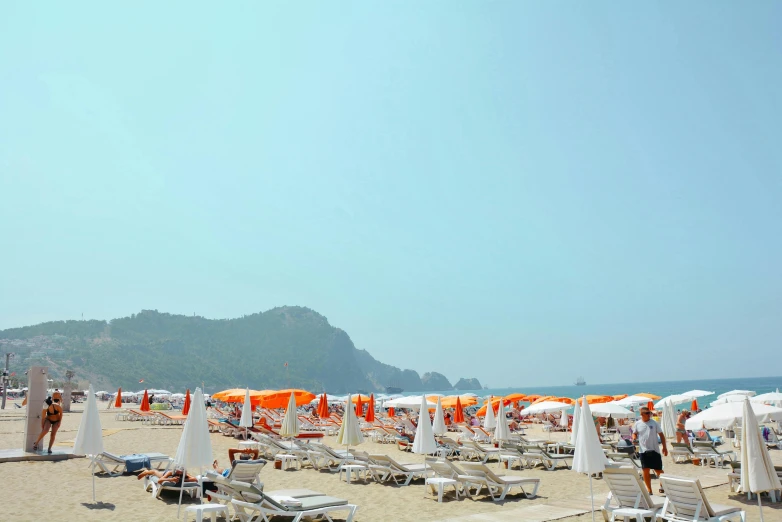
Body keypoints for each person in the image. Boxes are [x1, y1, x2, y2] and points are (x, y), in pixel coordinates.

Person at [633, 407, 668, 494]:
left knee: (658, 470)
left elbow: (661, 435)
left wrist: (664, 447)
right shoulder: (637, 424)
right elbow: (634, 433)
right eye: (647, 413)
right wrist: (634, 438)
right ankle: (649, 490)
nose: (649, 415)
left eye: (650, 413)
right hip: (643, 450)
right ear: (642, 414)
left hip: (654, 450)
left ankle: (662, 484)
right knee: (645, 470)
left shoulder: (654, 423)